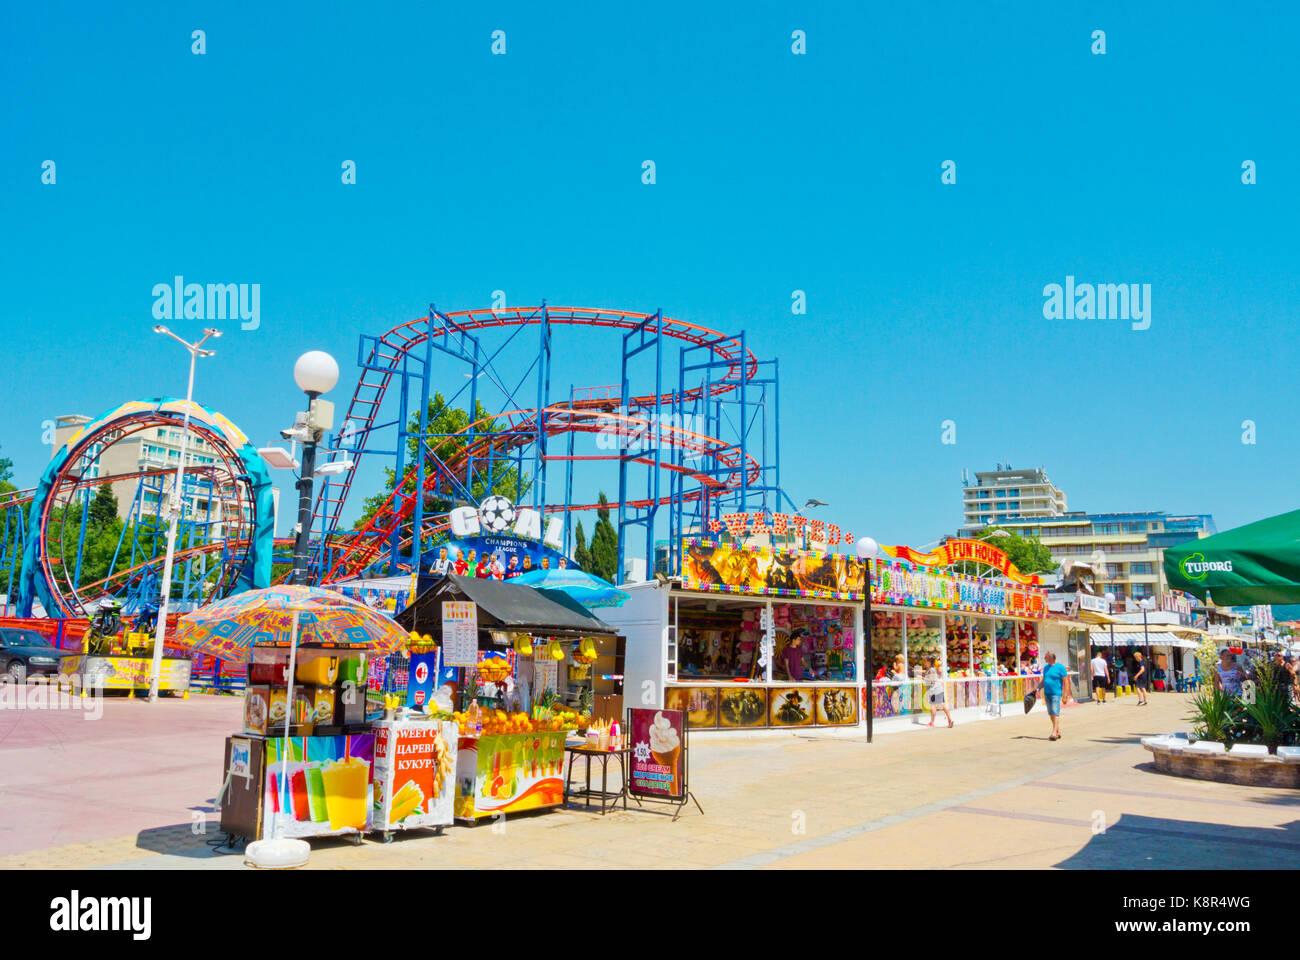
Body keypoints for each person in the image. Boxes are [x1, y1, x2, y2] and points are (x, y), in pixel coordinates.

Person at [1041, 651, 1071, 740]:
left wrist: (1065, 695)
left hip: (1056, 693)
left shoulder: (1060, 667)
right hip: (1047, 693)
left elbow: (1066, 682)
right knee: (1051, 713)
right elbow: (1043, 680)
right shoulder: (1046, 668)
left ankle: (1054, 733)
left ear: (1051, 657)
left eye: (1045, 657)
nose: (1044, 658)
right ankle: (1057, 730)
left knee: (1055, 712)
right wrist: (1037, 689)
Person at [924, 657, 952, 728]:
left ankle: (932, 722)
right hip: (939, 689)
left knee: (933, 705)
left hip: (934, 690)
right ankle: (949, 720)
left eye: (925, 661)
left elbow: (931, 680)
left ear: (929, 662)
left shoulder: (931, 670)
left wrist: (922, 678)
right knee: (943, 704)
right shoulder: (933, 669)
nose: (924, 663)